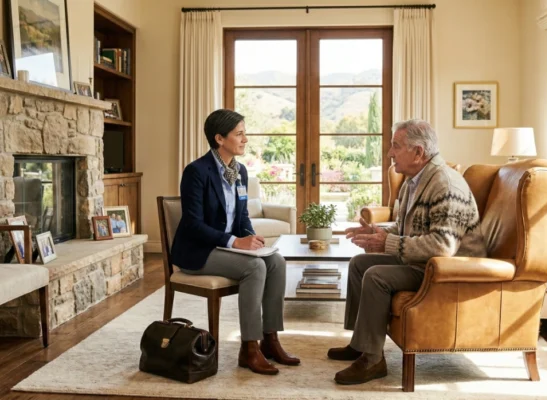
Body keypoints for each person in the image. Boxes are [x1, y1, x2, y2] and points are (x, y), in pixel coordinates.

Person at [327, 119, 487, 385]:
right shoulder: (415, 180)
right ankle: (361, 343)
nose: (390, 153)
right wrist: (378, 232)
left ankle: (373, 361)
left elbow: (442, 246)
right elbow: (406, 228)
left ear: (418, 152)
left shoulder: (445, 184)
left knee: (376, 275)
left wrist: (386, 243)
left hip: (447, 272)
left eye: (396, 146)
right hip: (423, 263)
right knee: (359, 264)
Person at [171, 109, 300, 375]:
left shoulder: (239, 171)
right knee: (255, 268)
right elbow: (193, 225)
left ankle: (270, 339)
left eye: (244, 133)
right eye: (239, 134)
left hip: (223, 246)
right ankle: (249, 348)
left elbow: (241, 216)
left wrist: (252, 238)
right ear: (219, 138)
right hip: (199, 252)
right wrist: (234, 242)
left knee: (275, 261)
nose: (245, 139)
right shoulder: (196, 171)